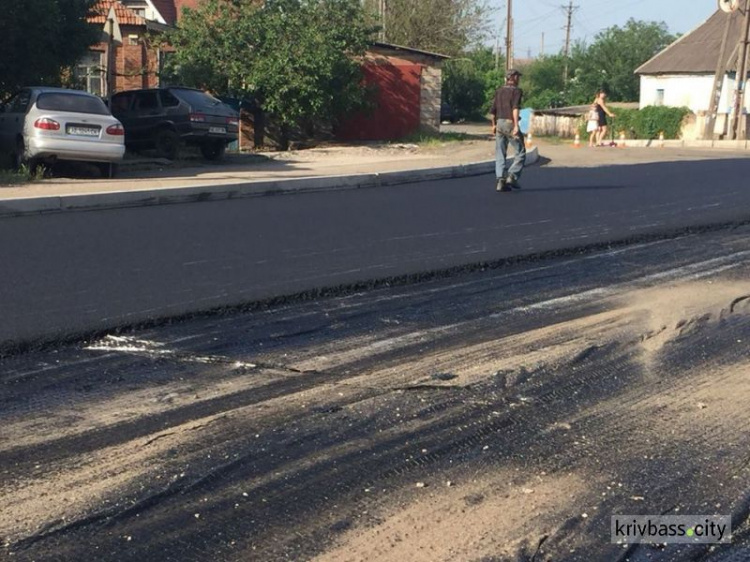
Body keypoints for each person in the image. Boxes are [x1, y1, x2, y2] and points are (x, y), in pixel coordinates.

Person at [490, 69, 526, 192]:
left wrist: (493, 125)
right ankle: (512, 176)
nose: (519, 79)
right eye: (518, 76)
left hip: (499, 123)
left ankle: (500, 180)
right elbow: (515, 108)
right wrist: (516, 125)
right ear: (513, 77)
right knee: (520, 152)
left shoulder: (498, 91)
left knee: (500, 152)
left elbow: (493, 110)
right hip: (509, 123)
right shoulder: (516, 91)